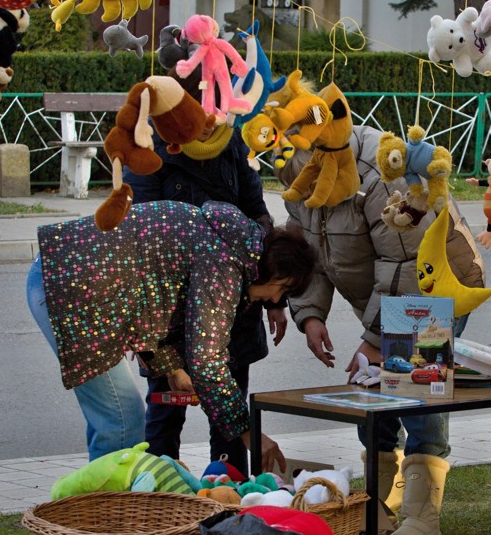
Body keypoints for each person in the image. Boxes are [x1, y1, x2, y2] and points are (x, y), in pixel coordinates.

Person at [275, 124, 486, 535]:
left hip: (432, 288)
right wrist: (310, 313)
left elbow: (405, 263)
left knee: (417, 393)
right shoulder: (299, 172)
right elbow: (308, 249)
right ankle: (381, 505)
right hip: (385, 294)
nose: (306, 193)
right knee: (373, 395)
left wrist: (374, 339)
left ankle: (423, 516)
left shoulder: (382, 172)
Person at [26, 198, 314, 471]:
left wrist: (172, 369)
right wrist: (252, 435)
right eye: (282, 288)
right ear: (272, 270)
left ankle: (104, 497)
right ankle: (107, 503)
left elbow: (153, 303)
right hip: (70, 286)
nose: (274, 298)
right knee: (122, 420)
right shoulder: (224, 262)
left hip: (64, 276)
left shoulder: (228, 240)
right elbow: (207, 362)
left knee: (117, 418)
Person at [123, 67, 285, 477]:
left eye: (218, 104)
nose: (212, 118)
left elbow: (259, 213)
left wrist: (273, 297)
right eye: (204, 106)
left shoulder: (231, 141)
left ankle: (228, 497)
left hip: (234, 307)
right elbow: (140, 236)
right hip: (169, 313)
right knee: (164, 417)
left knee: (229, 419)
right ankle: (160, 499)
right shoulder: (151, 147)